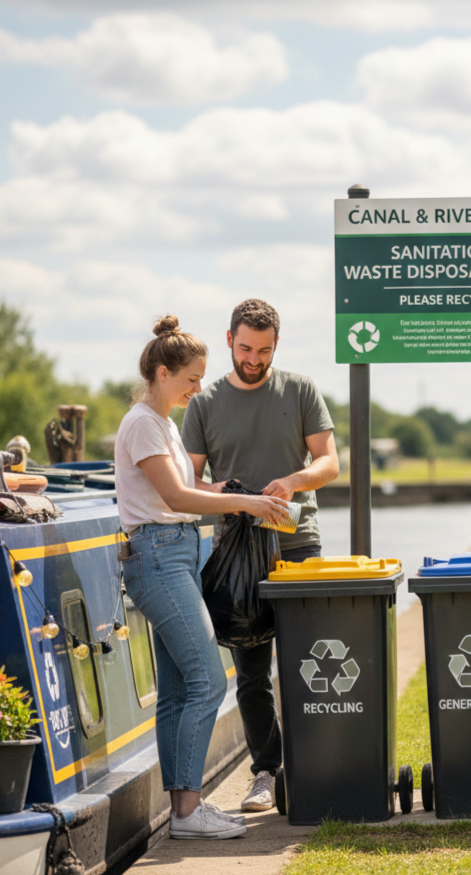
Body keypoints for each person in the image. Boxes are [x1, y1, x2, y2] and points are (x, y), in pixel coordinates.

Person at [115, 315, 288, 839]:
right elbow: (174, 499)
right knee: (210, 681)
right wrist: (245, 501)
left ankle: (183, 811)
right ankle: (190, 812)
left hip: (178, 554)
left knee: (175, 690)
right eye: (191, 378)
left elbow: (192, 491)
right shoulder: (143, 423)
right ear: (163, 372)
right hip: (160, 557)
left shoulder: (164, 422)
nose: (198, 388)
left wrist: (226, 489)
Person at [182, 298, 339, 812]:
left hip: (298, 545)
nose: (254, 359)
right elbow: (188, 480)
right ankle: (266, 772)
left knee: (307, 663)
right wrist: (226, 492)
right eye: (246, 348)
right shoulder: (203, 404)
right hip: (236, 555)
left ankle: (314, 766)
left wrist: (294, 481)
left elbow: (329, 462)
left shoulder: (300, 390)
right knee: (251, 671)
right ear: (229, 340)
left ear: (277, 345)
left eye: (264, 350)